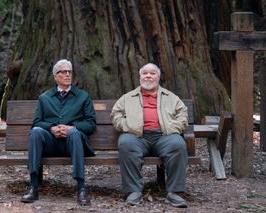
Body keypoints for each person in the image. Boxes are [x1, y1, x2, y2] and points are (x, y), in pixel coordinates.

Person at [110, 63, 188, 208]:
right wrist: (128, 127)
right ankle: (133, 191)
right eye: (145, 73)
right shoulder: (128, 97)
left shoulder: (171, 97)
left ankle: (174, 193)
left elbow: (183, 115)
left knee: (178, 145)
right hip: (137, 136)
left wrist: (171, 128)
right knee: (125, 143)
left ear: (158, 77)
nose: (148, 76)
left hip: (164, 136)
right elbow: (116, 115)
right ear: (140, 77)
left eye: (152, 73)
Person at [20, 59, 96, 206]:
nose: (68, 74)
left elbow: (91, 124)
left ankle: (81, 188)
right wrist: (51, 128)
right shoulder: (45, 98)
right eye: (63, 72)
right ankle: (33, 187)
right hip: (51, 144)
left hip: (74, 144)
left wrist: (72, 127)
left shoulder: (83, 96)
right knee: (36, 132)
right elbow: (36, 122)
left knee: (74, 133)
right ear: (55, 76)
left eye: (70, 72)